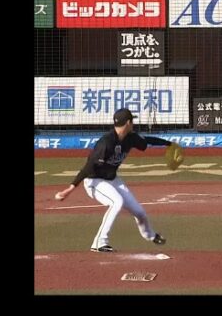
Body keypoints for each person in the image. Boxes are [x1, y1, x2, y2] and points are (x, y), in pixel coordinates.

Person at [52, 108, 171, 253]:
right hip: (94, 181)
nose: (133, 123)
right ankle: (99, 242)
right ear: (128, 123)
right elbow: (89, 166)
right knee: (116, 202)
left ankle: (151, 235)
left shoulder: (130, 138)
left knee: (139, 212)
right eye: (132, 121)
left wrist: (169, 144)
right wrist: (70, 189)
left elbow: (146, 141)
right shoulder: (106, 142)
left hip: (112, 179)